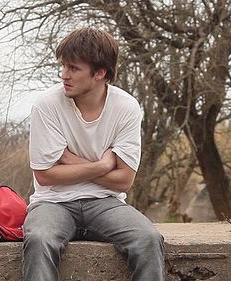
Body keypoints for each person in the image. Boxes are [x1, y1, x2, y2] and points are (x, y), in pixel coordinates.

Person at [23, 28, 165, 281]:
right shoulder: (47, 105)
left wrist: (70, 161)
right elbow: (45, 175)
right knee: (39, 238)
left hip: (105, 203)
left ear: (100, 73)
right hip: (53, 203)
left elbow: (124, 180)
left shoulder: (126, 108)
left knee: (148, 239)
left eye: (74, 68)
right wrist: (103, 165)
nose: (64, 75)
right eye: (64, 66)